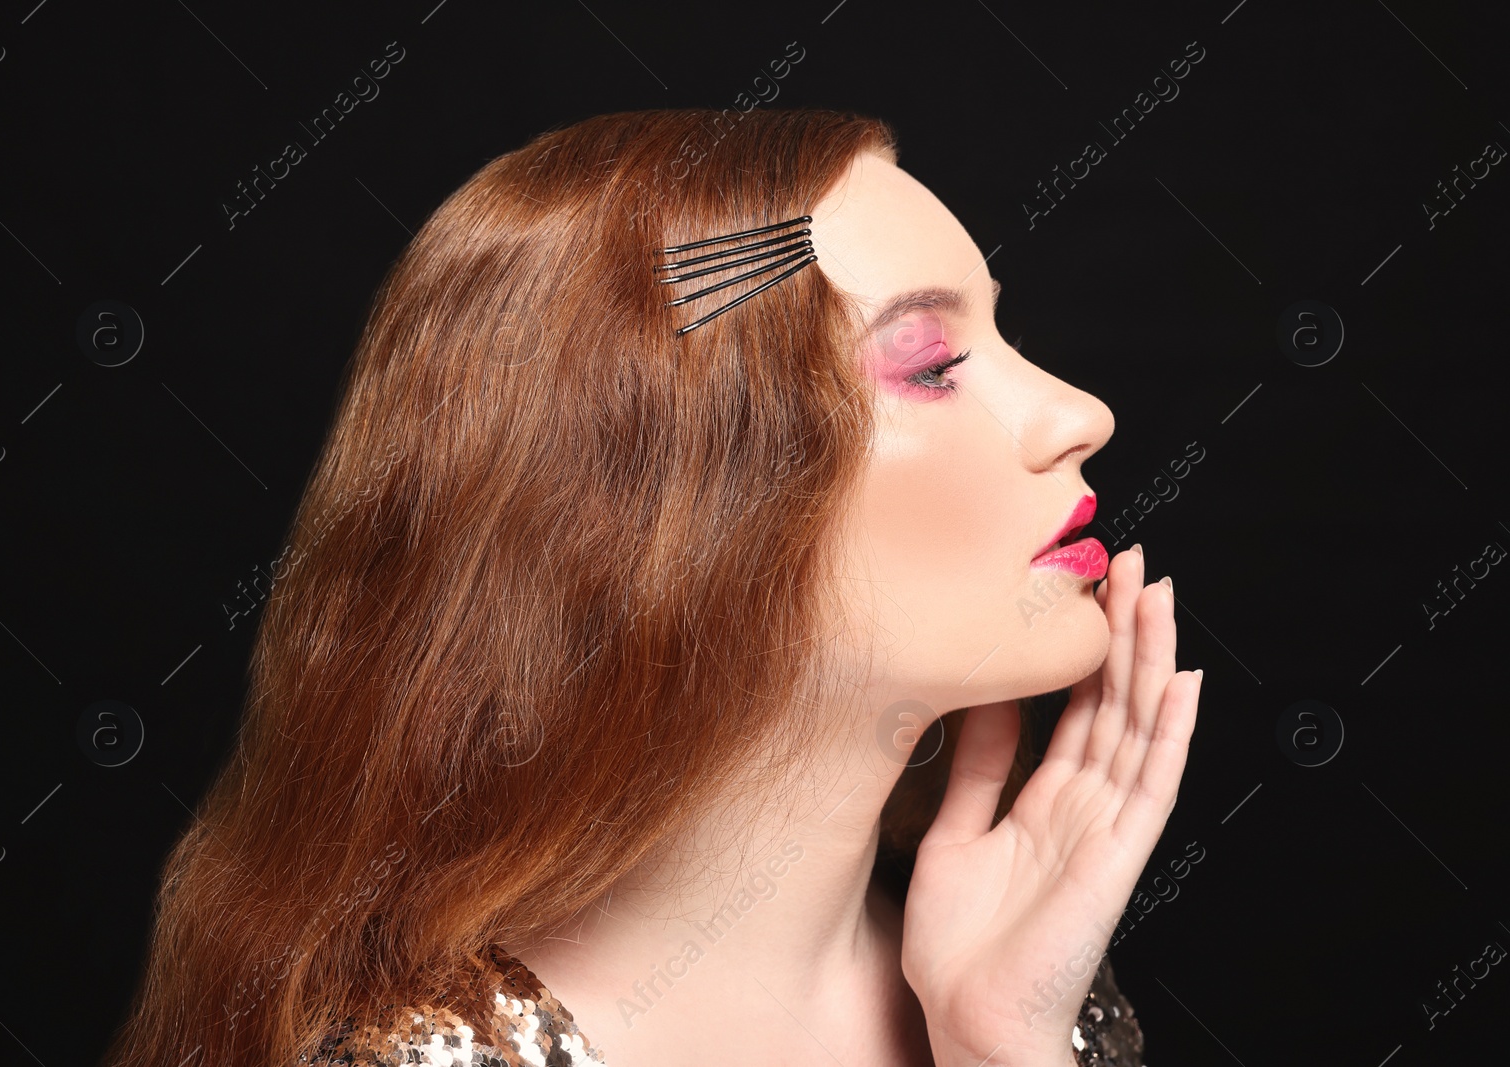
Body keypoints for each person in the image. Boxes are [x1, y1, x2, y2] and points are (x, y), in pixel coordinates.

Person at [103, 107, 1200, 1067]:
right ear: (663, 510)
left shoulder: (1024, 979)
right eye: (927, 363)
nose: (1077, 411)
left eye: (997, 332)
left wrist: (1006, 1045)